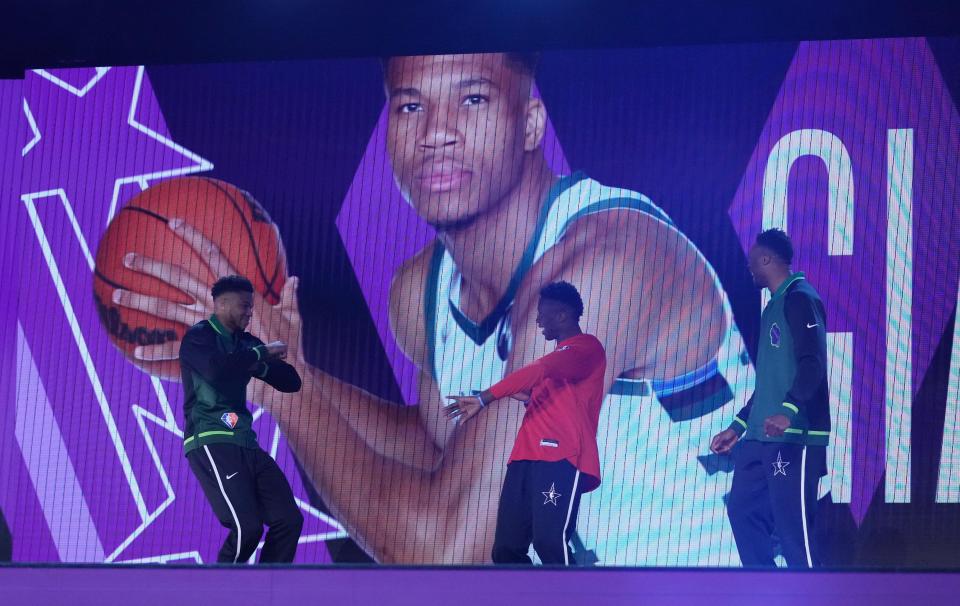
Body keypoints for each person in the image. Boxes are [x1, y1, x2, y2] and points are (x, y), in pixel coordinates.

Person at [116, 52, 754, 564]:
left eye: (472, 99)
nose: (437, 133)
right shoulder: (422, 292)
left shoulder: (605, 268)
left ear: (530, 124)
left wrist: (286, 394)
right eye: (410, 106)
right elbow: (444, 454)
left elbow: (448, 545)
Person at [446, 282, 606, 565]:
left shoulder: (586, 347)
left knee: (549, 540)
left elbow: (540, 370)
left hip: (560, 456)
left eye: (542, 312)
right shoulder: (557, 364)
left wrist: (485, 398)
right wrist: (523, 395)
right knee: (506, 549)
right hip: (523, 458)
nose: (538, 320)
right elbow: (538, 389)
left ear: (562, 314)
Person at [710, 229, 829, 568]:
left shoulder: (800, 298)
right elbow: (769, 383)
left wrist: (789, 412)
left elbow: (813, 362)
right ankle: (766, 590)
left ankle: (809, 597)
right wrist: (737, 425)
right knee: (742, 512)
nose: (749, 267)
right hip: (759, 436)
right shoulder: (773, 307)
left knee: (794, 532)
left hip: (793, 436)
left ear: (766, 259)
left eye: (752, 261)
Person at [179, 275, 304, 564]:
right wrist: (260, 354)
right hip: (211, 440)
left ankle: (268, 592)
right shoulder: (200, 337)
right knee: (246, 528)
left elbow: (290, 382)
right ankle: (220, 594)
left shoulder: (246, 342)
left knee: (288, 520)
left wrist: (259, 363)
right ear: (221, 304)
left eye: (251, 307)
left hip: (246, 442)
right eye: (244, 306)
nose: (250, 313)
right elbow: (215, 371)